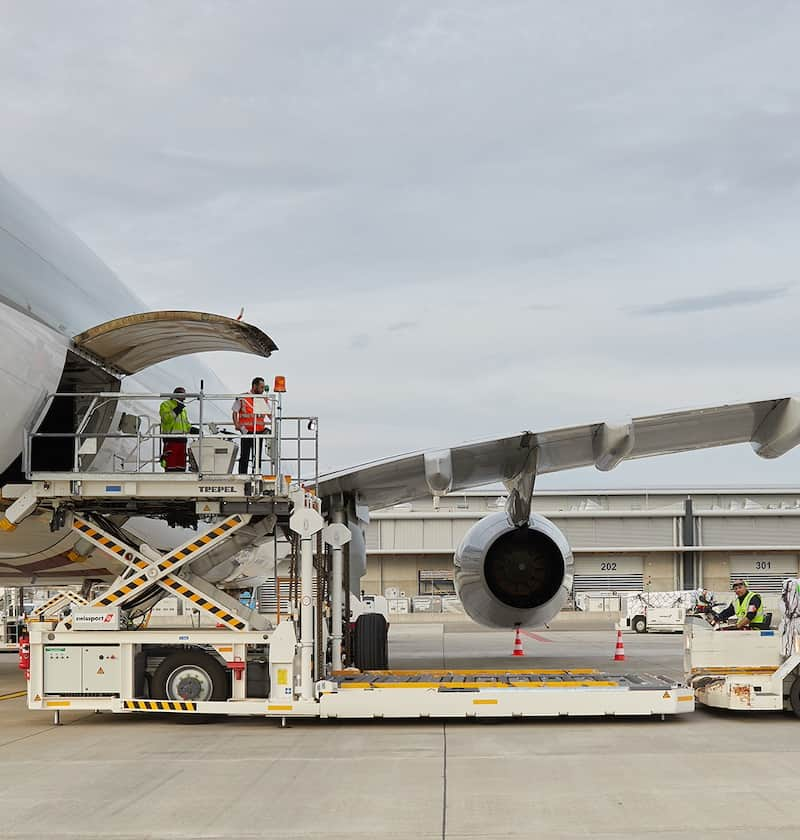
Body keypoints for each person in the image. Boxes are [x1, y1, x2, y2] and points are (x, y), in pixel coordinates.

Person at [232, 377, 272, 474]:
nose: (262, 390)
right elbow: (234, 411)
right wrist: (236, 424)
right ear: (255, 386)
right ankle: (242, 475)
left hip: (259, 432)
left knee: (257, 456)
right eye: (261, 387)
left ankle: (256, 474)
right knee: (244, 456)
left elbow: (270, 414)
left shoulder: (263, 399)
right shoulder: (243, 398)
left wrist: (274, 423)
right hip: (246, 431)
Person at [159, 387, 192, 472]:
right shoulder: (166, 405)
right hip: (171, 440)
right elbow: (166, 419)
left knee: (181, 468)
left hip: (182, 441)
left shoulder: (183, 409)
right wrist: (176, 410)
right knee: (171, 467)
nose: (183, 397)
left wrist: (192, 429)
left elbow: (185, 424)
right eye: (181, 394)